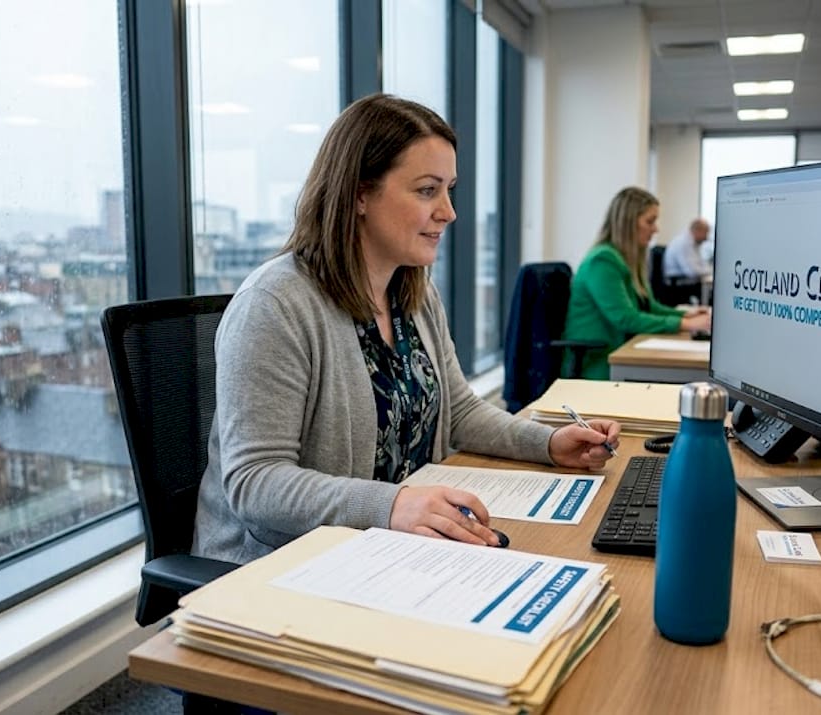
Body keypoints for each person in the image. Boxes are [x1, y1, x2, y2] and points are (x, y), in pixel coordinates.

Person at [193, 94, 621, 566]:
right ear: (359, 193)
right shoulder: (275, 306)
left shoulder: (412, 291)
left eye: (449, 189)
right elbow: (255, 481)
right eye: (426, 190)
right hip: (279, 568)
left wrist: (546, 442)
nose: (449, 211)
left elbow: (457, 412)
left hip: (389, 550)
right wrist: (391, 504)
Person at [562, 187, 712, 380]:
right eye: (650, 221)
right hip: (598, 362)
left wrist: (686, 315)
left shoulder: (625, 259)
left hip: (621, 351)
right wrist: (685, 324)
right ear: (628, 223)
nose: (656, 228)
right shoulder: (602, 261)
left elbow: (648, 306)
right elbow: (626, 319)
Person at [662, 217, 713, 282]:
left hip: (685, 281)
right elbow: (692, 272)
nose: (706, 237)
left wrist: (708, 269)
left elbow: (701, 264)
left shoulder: (694, 243)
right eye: (706, 233)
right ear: (697, 230)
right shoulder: (684, 243)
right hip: (677, 283)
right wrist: (710, 270)